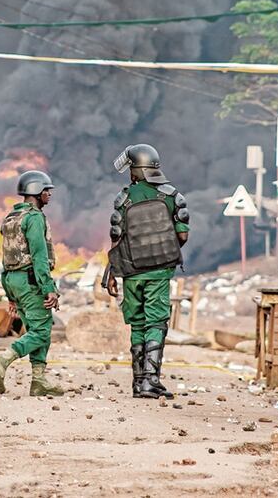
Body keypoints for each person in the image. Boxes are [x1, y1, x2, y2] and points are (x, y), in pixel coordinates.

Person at [106, 144, 189, 399]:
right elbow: (182, 236)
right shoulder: (172, 196)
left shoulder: (124, 198)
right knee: (156, 321)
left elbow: (116, 240)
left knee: (139, 323)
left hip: (131, 272)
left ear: (135, 171)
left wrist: (111, 273)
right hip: (159, 272)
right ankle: (151, 381)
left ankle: (137, 382)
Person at [0, 170, 64, 397]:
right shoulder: (34, 218)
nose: (49, 194)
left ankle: (39, 381)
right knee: (41, 331)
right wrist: (49, 289)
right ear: (36, 191)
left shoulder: (11, 217)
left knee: (36, 330)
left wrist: (10, 294)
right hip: (31, 281)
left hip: (13, 281)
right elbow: (39, 257)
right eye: (46, 190)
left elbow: (6, 257)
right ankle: (2, 360)